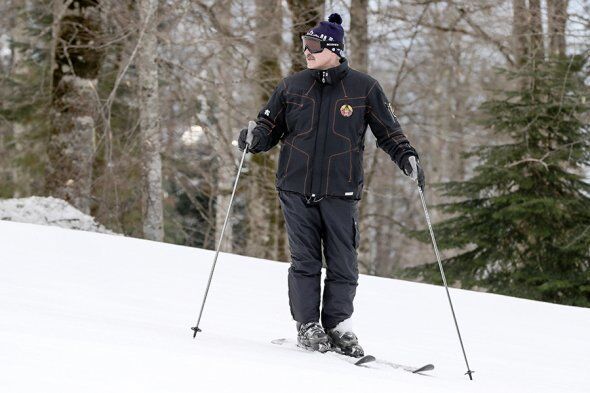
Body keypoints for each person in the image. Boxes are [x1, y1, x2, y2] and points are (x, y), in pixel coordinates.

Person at [238, 13, 424, 357]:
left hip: (341, 190)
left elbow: (390, 133)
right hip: (295, 187)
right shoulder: (291, 86)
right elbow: (268, 128)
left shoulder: (364, 88)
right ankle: (308, 325)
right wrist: (252, 137)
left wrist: (407, 158)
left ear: (334, 49)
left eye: (313, 46)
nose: (306, 52)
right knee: (305, 261)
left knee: (343, 263)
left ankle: (338, 326)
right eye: (304, 45)